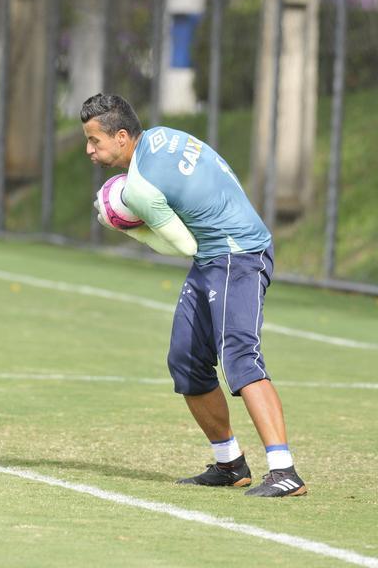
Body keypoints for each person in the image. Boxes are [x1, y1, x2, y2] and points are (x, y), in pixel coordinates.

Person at [80, 92, 307, 498]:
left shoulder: (142, 187)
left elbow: (181, 246)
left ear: (119, 136)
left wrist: (127, 227)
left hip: (237, 254)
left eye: (95, 141)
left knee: (240, 357)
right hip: (216, 254)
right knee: (186, 361)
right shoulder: (164, 135)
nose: (89, 150)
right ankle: (230, 464)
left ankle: (284, 469)